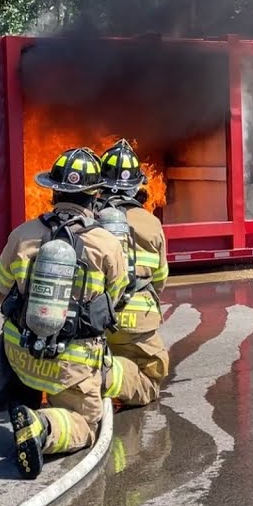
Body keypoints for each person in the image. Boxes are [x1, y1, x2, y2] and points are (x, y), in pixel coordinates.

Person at [0, 146, 129, 479]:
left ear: (53, 191)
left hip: (19, 354)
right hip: (71, 364)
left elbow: (1, 284)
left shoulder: (22, 234)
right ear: (95, 196)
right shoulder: (107, 243)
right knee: (86, 423)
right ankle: (41, 425)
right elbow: (115, 298)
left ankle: (24, 401)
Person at [94, 139, 171, 408]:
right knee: (151, 377)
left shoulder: (89, 218)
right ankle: (107, 376)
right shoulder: (151, 222)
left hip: (94, 320)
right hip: (137, 323)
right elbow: (160, 279)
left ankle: (92, 373)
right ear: (137, 185)